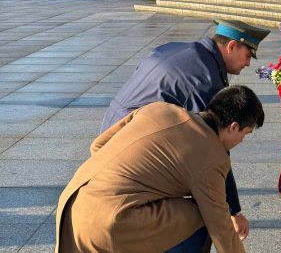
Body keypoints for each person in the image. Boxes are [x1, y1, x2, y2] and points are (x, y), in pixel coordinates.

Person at [100, 19, 270, 237]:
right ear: (231, 46)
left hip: (111, 132)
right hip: (129, 153)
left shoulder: (177, 49)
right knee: (201, 216)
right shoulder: (205, 81)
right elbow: (214, 150)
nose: (248, 63)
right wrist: (233, 211)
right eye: (248, 55)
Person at [55, 85, 264, 253]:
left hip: (72, 206)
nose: (242, 140)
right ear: (233, 127)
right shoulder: (213, 157)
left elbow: (98, 146)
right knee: (204, 216)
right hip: (110, 224)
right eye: (245, 134)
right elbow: (221, 227)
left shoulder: (158, 108)